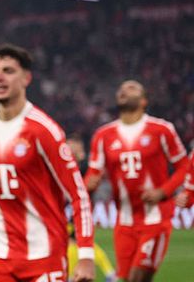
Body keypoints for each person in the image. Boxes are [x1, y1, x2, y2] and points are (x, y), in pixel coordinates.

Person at [0, 43, 95, 282]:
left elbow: (78, 195)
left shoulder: (43, 130)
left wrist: (86, 255)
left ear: (26, 78)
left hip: (44, 255)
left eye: (8, 70)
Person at [84, 80, 188, 282]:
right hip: (123, 222)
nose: (124, 89)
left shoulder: (162, 130)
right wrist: (88, 184)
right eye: (122, 88)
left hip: (155, 218)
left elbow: (184, 167)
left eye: (132, 88)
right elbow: (93, 173)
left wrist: (163, 191)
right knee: (127, 278)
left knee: (137, 278)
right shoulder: (103, 135)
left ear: (143, 101)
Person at [65, 135, 117, 282]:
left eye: (71, 144)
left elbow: (90, 184)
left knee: (74, 242)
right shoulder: (67, 164)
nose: (67, 147)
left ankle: (71, 274)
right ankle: (108, 272)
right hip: (70, 209)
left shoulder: (84, 166)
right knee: (73, 242)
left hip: (79, 210)